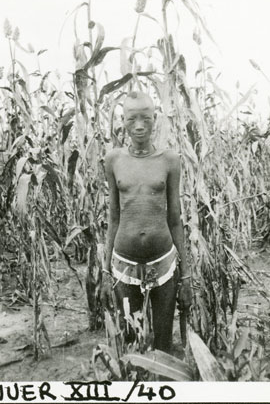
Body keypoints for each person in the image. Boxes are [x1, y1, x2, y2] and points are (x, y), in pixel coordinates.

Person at [101, 90, 192, 353]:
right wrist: (106, 273)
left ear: (155, 118)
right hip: (125, 265)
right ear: (123, 121)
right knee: (130, 342)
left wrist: (186, 277)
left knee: (164, 343)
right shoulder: (113, 160)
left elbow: (175, 219)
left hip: (163, 264)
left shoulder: (170, 161)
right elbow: (114, 216)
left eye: (146, 118)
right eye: (132, 119)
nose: (139, 126)